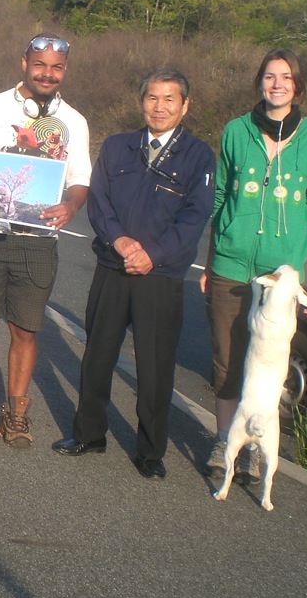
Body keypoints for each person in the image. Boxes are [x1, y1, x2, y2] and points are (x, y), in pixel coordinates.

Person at [52, 68, 215, 478]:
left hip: (160, 277)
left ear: (184, 106)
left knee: (156, 367)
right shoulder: (118, 146)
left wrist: (152, 255)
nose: (159, 107)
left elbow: (194, 218)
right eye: (152, 99)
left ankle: (150, 452)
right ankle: (89, 433)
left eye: (169, 100)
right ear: (141, 102)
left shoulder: (198, 156)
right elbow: (99, 202)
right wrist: (120, 242)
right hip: (113, 267)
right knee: (98, 355)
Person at [0, 32, 92, 448]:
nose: (48, 73)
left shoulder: (75, 122)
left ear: (65, 71)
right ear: (23, 63)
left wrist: (70, 207)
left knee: (26, 331)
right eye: (40, 64)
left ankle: (15, 413)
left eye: (57, 67)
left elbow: (80, 179)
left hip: (38, 243)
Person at [201, 48, 307, 482]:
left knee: (269, 366)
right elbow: (220, 198)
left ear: (298, 86)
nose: (277, 84)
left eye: (286, 77)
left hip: (282, 275)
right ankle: (224, 440)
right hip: (231, 264)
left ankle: (258, 442)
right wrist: (208, 261)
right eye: (270, 76)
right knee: (227, 359)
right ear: (260, 82)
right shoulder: (236, 131)